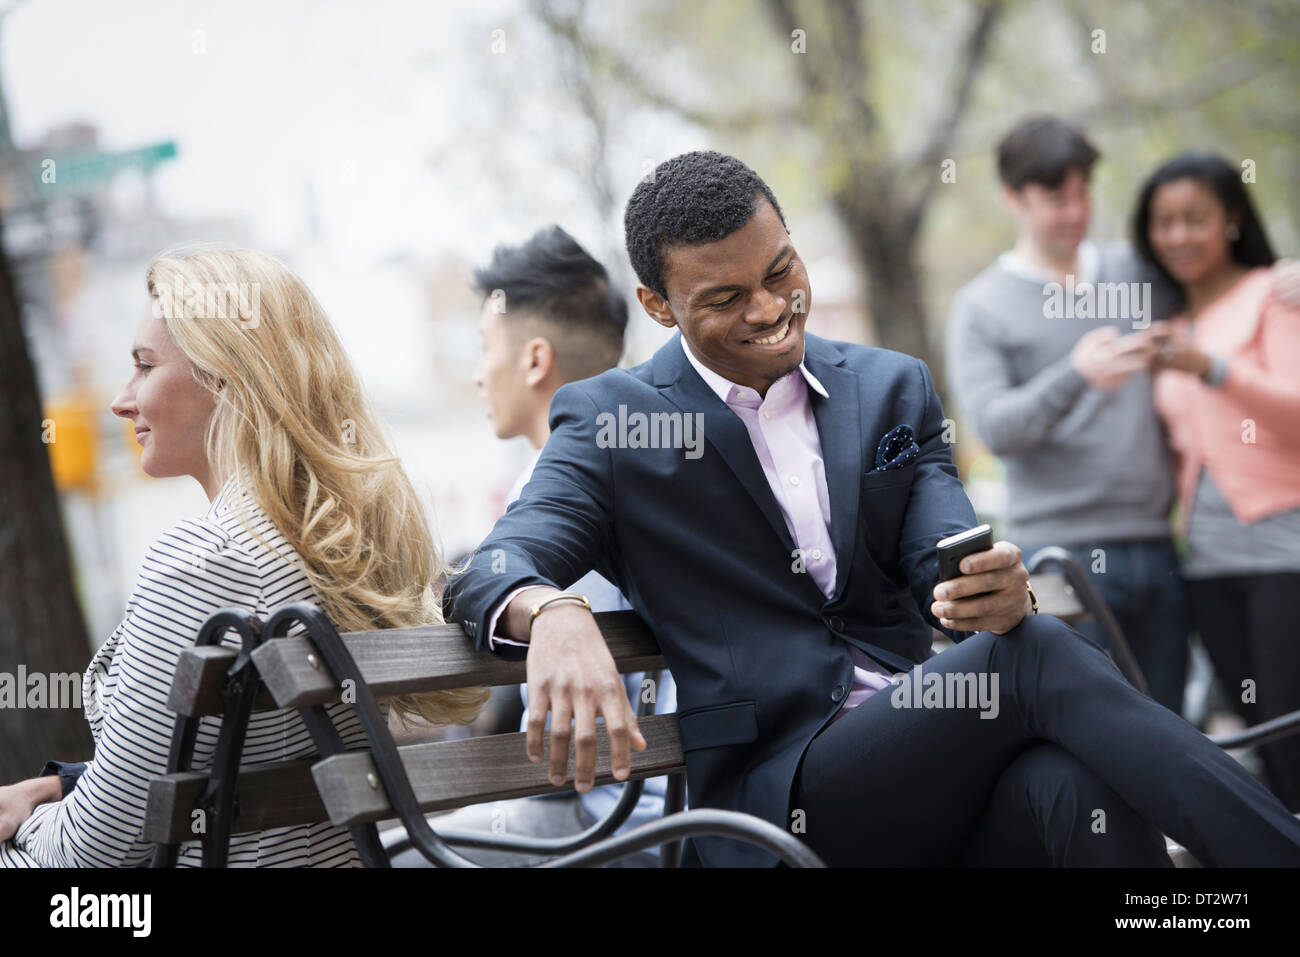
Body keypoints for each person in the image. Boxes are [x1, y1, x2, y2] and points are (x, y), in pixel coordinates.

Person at [443, 149, 1300, 868]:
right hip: (774, 800)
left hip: (921, 754)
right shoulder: (613, 418)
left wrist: (993, 589)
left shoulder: (890, 387)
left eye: (781, 271)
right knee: (1032, 655)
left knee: (1072, 789)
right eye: (724, 298)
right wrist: (550, 609)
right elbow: (489, 568)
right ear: (659, 307)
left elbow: (947, 551)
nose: (772, 309)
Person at [0, 246, 485, 867]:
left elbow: (95, 851)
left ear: (224, 376)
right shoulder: (338, 550)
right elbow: (230, 756)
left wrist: (26, 828)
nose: (122, 401)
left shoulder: (203, 564)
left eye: (145, 367)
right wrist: (62, 787)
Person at [393, 226, 677, 866]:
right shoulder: (660, 463)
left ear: (533, 360)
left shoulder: (554, 503)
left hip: (613, 824)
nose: (475, 375)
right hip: (655, 807)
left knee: (390, 856)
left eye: (483, 347)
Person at [945, 115, 1189, 714]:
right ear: (1013, 198)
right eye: (1057, 197)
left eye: (1083, 193)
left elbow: (1218, 292)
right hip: (1059, 555)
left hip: (1159, 544)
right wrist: (1077, 374)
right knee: (1093, 732)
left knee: (1177, 733)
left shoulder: (1137, 273)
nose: (1076, 211)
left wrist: (1276, 277)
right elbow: (996, 428)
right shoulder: (982, 307)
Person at [1136, 152, 1300, 813]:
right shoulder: (1168, 325)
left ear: (1233, 218)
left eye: (1195, 218)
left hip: (1283, 550)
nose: (1178, 235)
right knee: (1255, 735)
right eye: (1163, 221)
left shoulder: (1276, 294)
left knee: (1290, 728)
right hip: (1204, 562)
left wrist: (1214, 367)